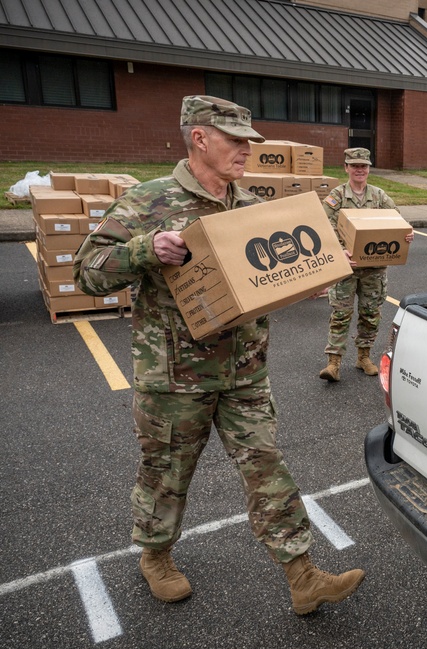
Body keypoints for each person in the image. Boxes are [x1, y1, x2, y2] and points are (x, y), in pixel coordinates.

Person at [73, 95, 365, 614]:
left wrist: (321, 271)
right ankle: (156, 557)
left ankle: (303, 576)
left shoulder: (251, 207)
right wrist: (145, 250)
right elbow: (87, 271)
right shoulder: (149, 203)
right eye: (235, 141)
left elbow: (274, 278)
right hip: (174, 379)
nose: (246, 151)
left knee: (266, 465)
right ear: (200, 138)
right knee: (166, 472)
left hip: (245, 372)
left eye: (249, 142)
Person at [319, 147, 413, 382]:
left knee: (370, 314)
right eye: (355, 165)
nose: (359, 170)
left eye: (364, 166)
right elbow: (323, 226)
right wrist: (339, 250)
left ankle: (363, 357)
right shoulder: (337, 196)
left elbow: (397, 222)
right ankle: (333, 363)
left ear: (369, 169)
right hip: (346, 267)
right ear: (346, 168)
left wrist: (407, 233)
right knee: (341, 314)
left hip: (374, 269)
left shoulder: (379, 196)